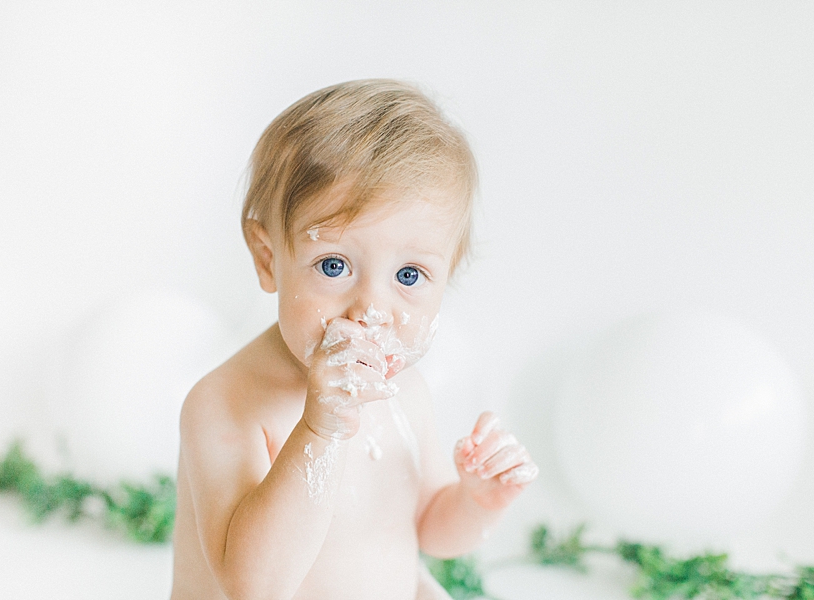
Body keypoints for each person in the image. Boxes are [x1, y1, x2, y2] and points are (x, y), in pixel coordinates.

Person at [170, 79, 539, 600]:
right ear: (268, 256)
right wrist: (320, 431)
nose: (371, 309)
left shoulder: (405, 394)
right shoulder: (226, 404)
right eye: (335, 264)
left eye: (409, 276)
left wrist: (477, 501)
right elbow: (252, 585)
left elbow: (429, 528)